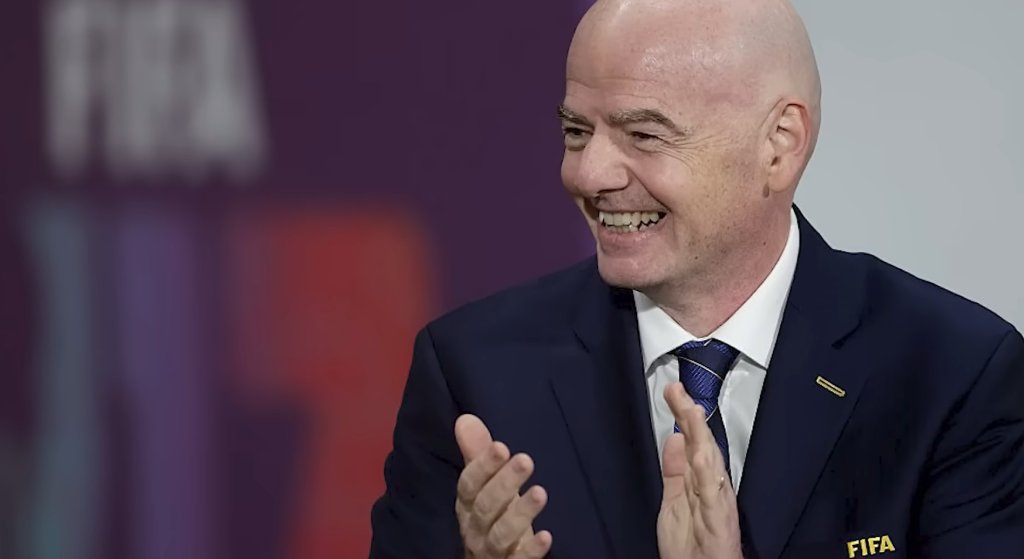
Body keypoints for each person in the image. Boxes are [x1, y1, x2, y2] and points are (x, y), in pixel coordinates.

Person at [369, 0, 1024, 557]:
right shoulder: (474, 374)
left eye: (644, 135)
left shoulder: (952, 376)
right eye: (576, 131)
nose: (589, 174)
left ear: (779, 143)